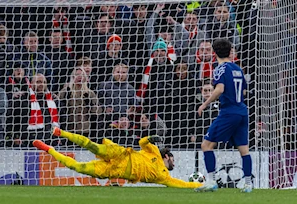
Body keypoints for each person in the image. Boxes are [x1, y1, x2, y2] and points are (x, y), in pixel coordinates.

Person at [33, 126, 203, 188]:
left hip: (116, 171)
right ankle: (60, 132)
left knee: (78, 167)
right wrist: (151, 138)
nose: (174, 163)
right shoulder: (155, 153)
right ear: (167, 156)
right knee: (92, 145)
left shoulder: (164, 177)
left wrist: (197, 185)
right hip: (120, 154)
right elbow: (143, 142)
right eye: (173, 159)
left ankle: (49, 149)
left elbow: (181, 184)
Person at [195, 39, 252, 193]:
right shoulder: (238, 69)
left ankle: (211, 181)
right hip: (242, 110)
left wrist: (205, 104)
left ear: (214, 53)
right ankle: (248, 184)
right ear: (229, 51)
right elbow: (244, 91)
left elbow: (220, 89)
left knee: (206, 145)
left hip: (229, 112)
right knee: (244, 149)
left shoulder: (220, 69)